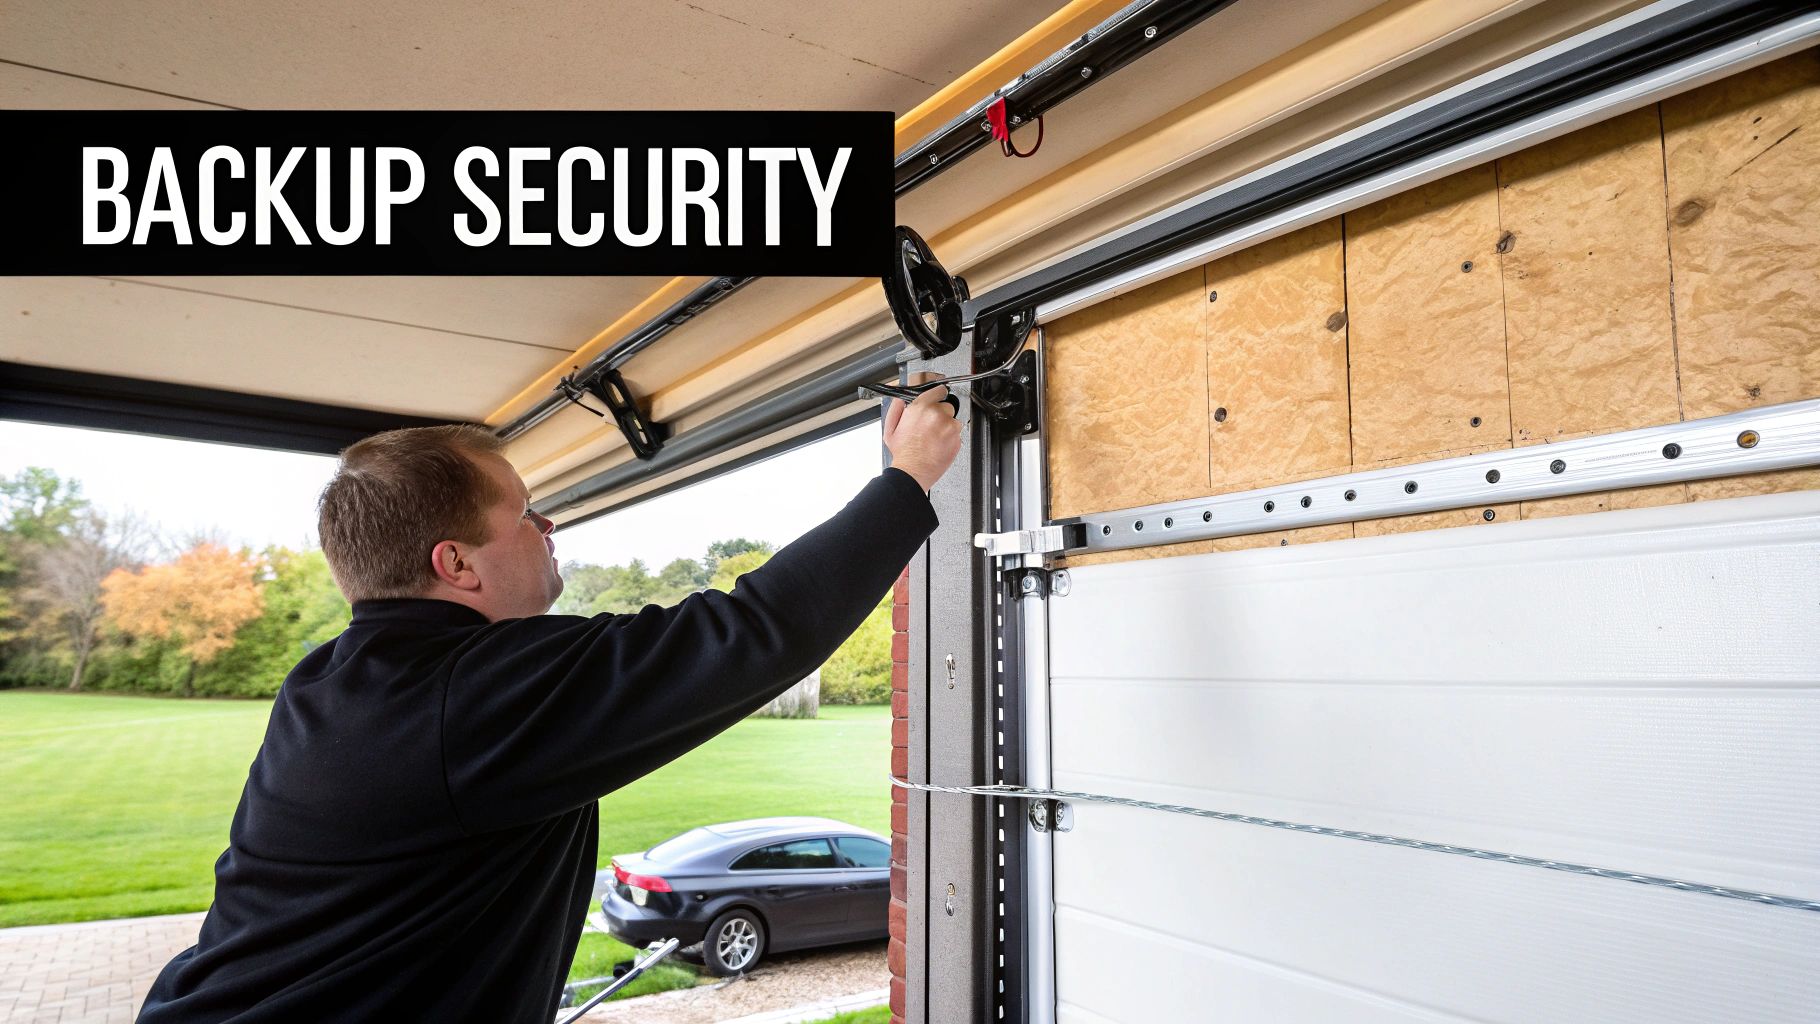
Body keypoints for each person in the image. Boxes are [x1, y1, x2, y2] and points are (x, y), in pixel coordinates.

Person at [136, 382, 963, 1022]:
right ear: (456, 562)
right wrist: (908, 477)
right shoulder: (469, 695)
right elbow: (754, 632)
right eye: (524, 513)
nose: (549, 521)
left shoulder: (338, 677)